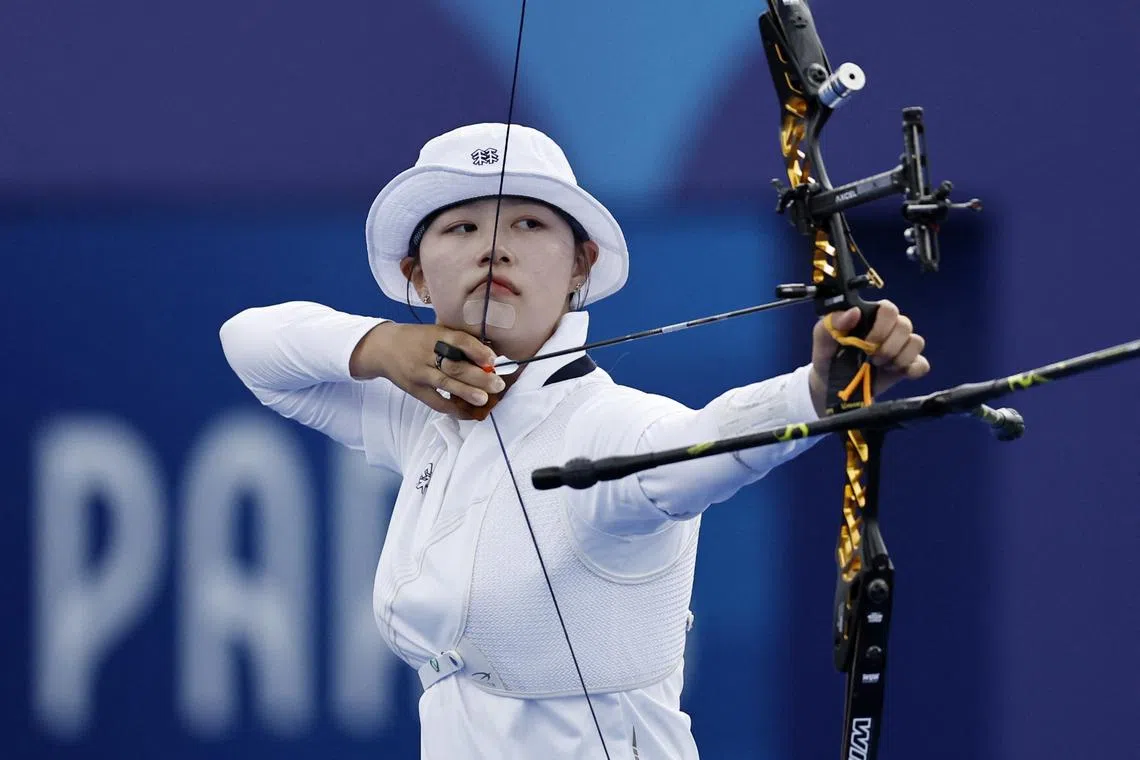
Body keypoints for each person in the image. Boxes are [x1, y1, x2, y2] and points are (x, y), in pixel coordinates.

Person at [219, 123, 929, 759]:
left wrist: (812, 391)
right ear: (415, 272)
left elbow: (698, 446)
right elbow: (249, 345)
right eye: (460, 228)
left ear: (580, 267)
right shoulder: (422, 418)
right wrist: (381, 344)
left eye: (528, 224)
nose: (493, 246)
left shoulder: (603, 422)